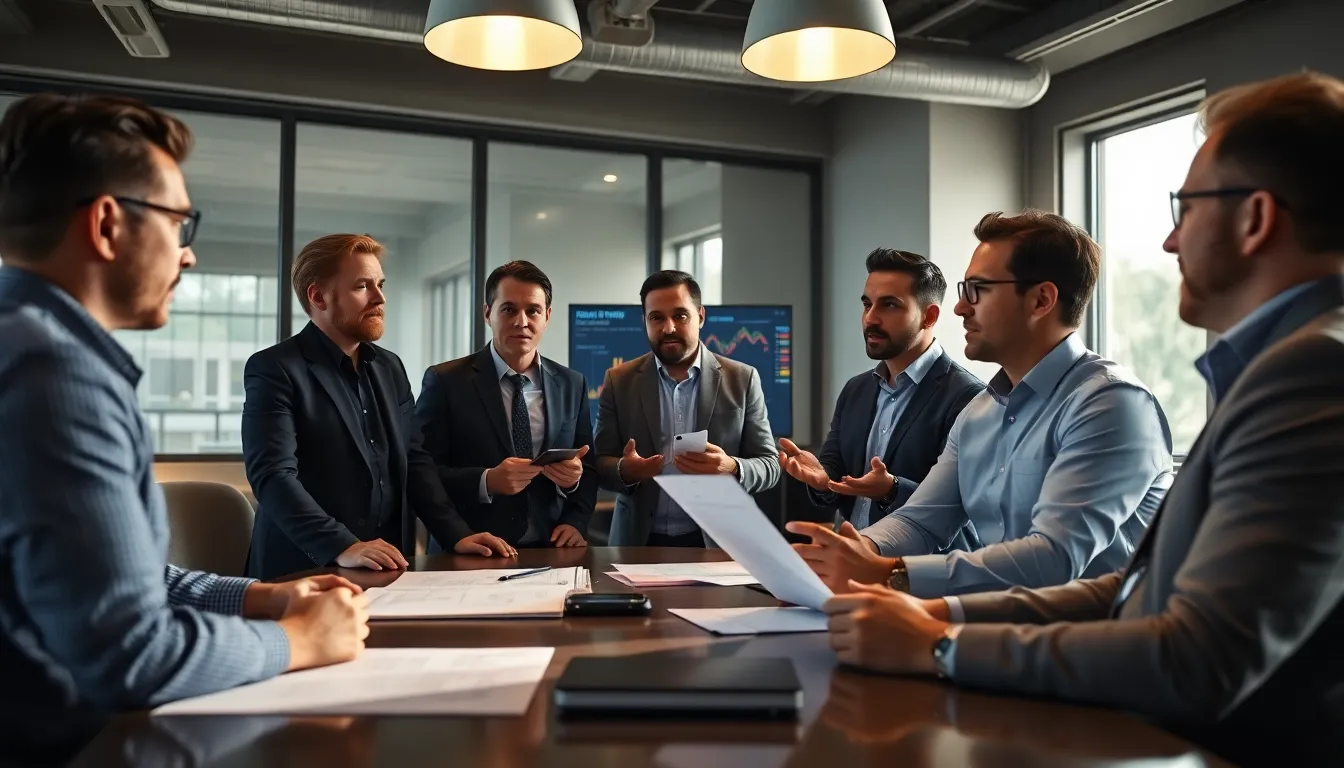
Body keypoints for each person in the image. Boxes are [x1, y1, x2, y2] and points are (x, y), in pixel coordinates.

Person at [819, 71, 1344, 766]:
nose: (1168, 241)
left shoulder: (1307, 373)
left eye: (1185, 208)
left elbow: (1197, 655)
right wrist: (933, 611)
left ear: (1255, 219)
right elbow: (1131, 592)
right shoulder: (1279, 367)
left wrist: (936, 638)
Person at [0, 94, 368, 764]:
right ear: (108, 224)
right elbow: (128, 652)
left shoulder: (30, 348)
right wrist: (302, 642)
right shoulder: (53, 374)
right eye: (180, 223)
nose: (188, 256)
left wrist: (262, 595)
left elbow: (117, 579)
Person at [789, 210, 1173, 597]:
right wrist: (852, 551)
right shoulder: (981, 412)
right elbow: (921, 521)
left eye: (978, 290)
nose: (960, 308)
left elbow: (1054, 557)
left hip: (1097, 645)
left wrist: (889, 572)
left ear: (1041, 299)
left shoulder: (1111, 404)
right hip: (1004, 631)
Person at [242, 233, 510, 580]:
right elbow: (273, 477)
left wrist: (456, 534)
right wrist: (343, 545)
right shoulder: (275, 368)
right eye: (362, 286)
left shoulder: (390, 367)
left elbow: (414, 462)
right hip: (304, 572)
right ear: (318, 296)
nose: (380, 298)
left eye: (380, 284)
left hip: (386, 567)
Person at [779, 248, 982, 534]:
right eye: (867, 304)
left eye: (889, 305)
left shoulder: (970, 397)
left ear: (929, 316)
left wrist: (892, 491)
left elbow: (964, 509)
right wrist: (822, 480)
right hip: (849, 560)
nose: (870, 319)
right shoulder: (856, 390)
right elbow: (835, 481)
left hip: (917, 572)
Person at [416, 261, 597, 549]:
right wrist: (486, 481)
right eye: (509, 309)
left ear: (547, 316)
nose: (522, 321)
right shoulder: (446, 381)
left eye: (533, 311)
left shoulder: (572, 383)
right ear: (487, 313)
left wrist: (575, 518)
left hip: (550, 549)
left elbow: (589, 466)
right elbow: (422, 472)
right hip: (472, 548)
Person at [595, 270, 780, 547]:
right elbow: (598, 463)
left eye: (680, 316)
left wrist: (732, 467)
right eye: (656, 317)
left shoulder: (742, 378)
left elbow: (770, 465)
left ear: (701, 316)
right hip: (638, 543)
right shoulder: (618, 380)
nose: (668, 328)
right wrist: (626, 470)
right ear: (644, 321)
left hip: (719, 544)